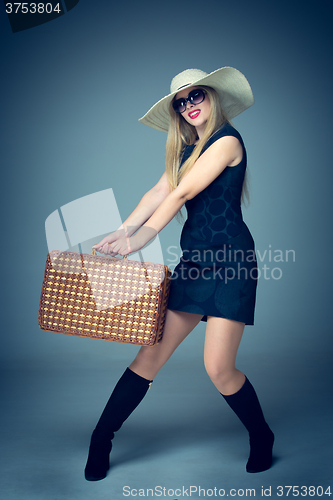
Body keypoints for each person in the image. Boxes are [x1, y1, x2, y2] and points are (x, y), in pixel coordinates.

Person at [84, 67, 274, 481]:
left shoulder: (227, 142)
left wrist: (143, 238)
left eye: (196, 96)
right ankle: (101, 439)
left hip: (231, 263)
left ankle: (262, 435)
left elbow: (183, 193)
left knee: (218, 368)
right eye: (181, 102)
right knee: (148, 356)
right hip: (195, 263)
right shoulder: (187, 150)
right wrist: (121, 231)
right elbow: (158, 192)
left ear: (213, 97)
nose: (189, 106)